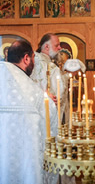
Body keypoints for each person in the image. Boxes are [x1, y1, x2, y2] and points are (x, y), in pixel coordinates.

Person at [0, 40, 58, 184]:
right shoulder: (35, 95)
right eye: (33, 58)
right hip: (27, 172)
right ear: (26, 58)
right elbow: (50, 136)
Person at [30, 33, 65, 117]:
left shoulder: (31, 61)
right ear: (46, 47)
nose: (60, 48)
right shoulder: (50, 67)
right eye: (57, 45)